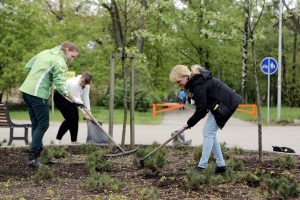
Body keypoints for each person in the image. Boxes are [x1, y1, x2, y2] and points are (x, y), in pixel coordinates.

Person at [169, 64, 242, 173]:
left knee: (208, 132)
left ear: (185, 76)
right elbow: (203, 103)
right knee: (210, 133)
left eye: (179, 82)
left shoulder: (198, 84)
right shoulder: (194, 82)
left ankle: (201, 167)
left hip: (226, 103)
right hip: (218, 104)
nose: (179, 85)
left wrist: (189, 123)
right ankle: (221, 165)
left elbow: (201, 109)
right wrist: (203, 111)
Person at [19, 42, 81, 168]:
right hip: (37, 93)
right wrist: (74, 99)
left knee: (36, 124)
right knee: (43, 124)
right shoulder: (60, 62)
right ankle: (33, 158)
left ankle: (40, 154)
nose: (72, 59)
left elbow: (28, 66)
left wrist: (41, 76)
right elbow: (61, 86)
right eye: (72, 56)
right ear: (67, 50)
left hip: (26, 91)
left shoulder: (45, 53)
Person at [54, 72, 92, 145]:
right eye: (82, 81)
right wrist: (85, 113)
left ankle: (74, 141)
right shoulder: (74, 84)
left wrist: (89, 113)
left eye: (85, 83)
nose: (82, 83)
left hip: (71, 98)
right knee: (70, 119)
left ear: (87, 83)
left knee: (75, 119)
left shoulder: (87, 86)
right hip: (60, 97)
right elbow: (78, 100)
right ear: (81, 78)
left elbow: (86, 98)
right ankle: (57, 140)